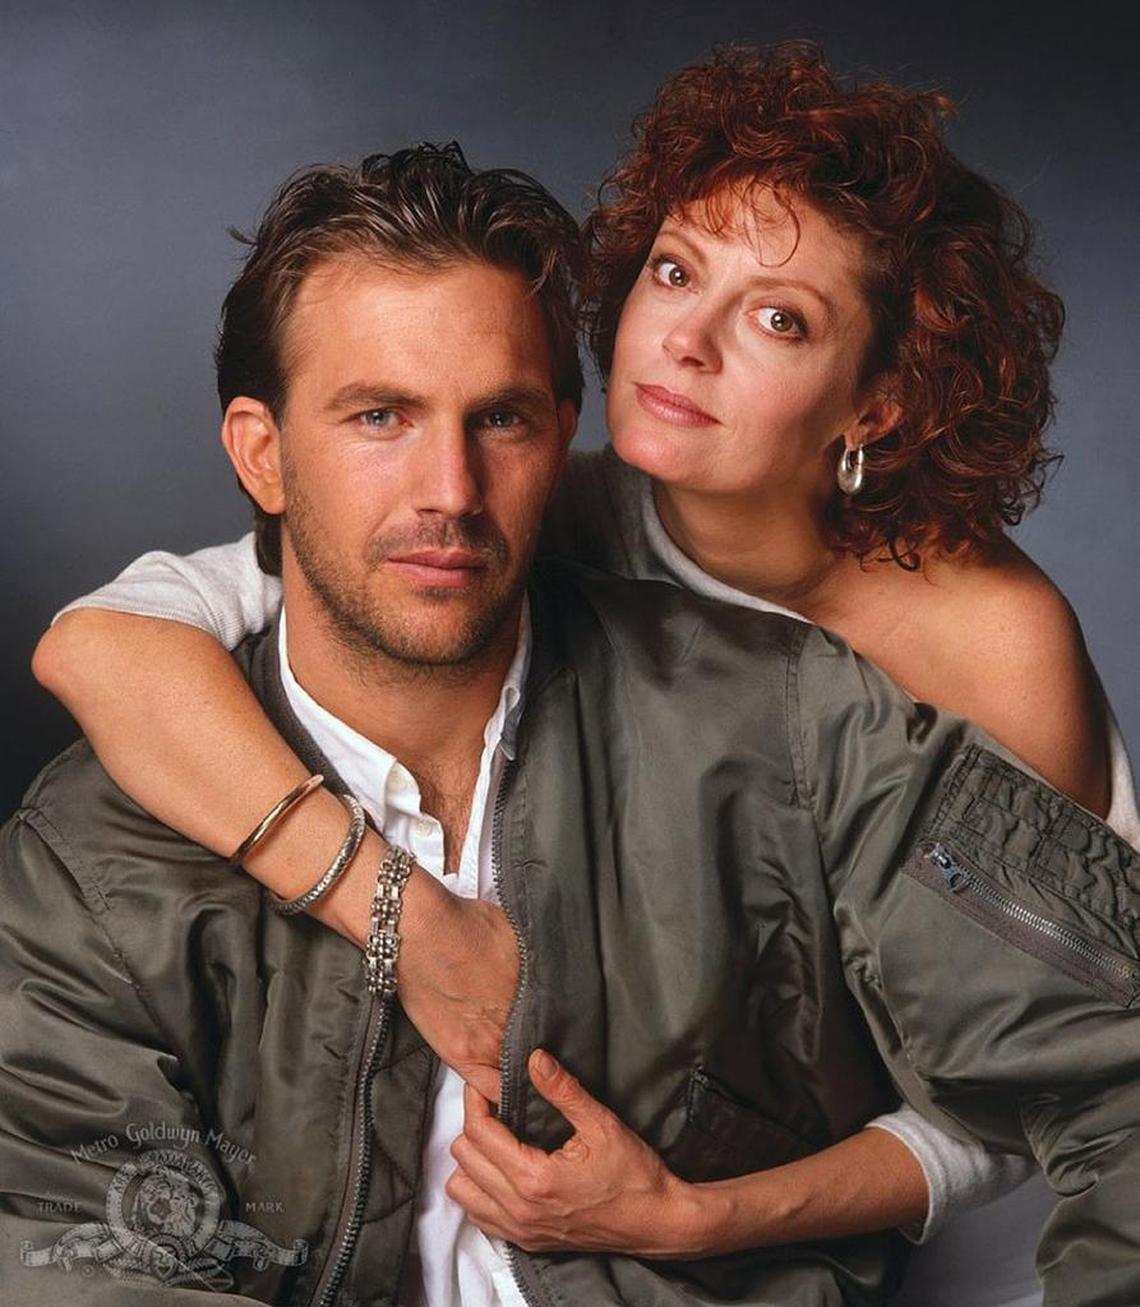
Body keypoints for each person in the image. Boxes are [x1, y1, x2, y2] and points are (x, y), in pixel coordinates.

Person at [28, 46, 1138, 1302]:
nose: (686, 343)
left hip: (931, 1193)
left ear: (878, 402)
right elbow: (105, 642)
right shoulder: (523, 524)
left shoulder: (974, 645)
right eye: (675, 271)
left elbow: (1055, 1065)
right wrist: (399, 910)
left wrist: (701, 1220)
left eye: (781, 318)